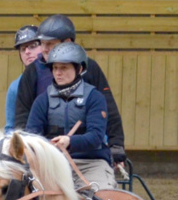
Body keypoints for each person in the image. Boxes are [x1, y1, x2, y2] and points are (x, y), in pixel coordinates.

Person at [13, 14, 127, 167]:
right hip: (47, 152)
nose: (44, 49)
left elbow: (108, 107)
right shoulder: (32, 72)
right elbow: (22, 114)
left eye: (50, 44)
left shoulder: (90, 68)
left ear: (67, 42)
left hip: (87, 150)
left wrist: (116, 144)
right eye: (42, 43)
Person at [25, 43, 117, 191]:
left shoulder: (95, 97)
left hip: (91, 163)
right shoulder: (42, 100)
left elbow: (96, 137)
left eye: (64, 68)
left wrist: (70, 141)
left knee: (101, 199)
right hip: (53, 164)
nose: (58, 73)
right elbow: (31, 137)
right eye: (55, 68)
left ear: (79, 69)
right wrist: (49, 146)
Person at [4, 25, 42, 133]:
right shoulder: (15, 87)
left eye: (33, 46)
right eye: (22, 49)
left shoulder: (58, 76)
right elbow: (10, 127)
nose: (27, 52)